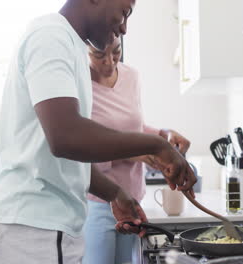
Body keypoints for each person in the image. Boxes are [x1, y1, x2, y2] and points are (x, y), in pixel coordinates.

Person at [0, 0, 196, 263]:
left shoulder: (69, 46)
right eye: (124, 12)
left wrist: (115, 193)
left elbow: (62, 154)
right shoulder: (50, 36)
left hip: (38, 227)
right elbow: (65, 137)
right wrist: (157, 146)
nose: (124, 28)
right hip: (34, 227)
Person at [82, 36, 191, 264]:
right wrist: (138, 152)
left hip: (133, 199)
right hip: (98, 201)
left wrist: (163, 134)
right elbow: (83, 150)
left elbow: (134, 127)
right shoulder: (78, 84)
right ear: (83, 50)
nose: (110, 62)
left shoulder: (131, 76)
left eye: (116, 52)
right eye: (99, 55)